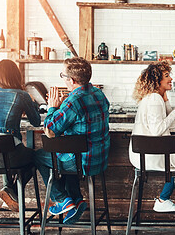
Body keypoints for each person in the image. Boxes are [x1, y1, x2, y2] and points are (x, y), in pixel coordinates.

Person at [34, 57, 110, 224]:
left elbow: (50, 130)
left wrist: (53, 106)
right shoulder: (99, 94)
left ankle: (62, 199)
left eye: (63, 75)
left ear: (71, 80)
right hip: (99, 159)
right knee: (68, 151)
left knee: (39, 156)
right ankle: (77, 199)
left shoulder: (73, 101)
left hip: (82, 162)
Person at [129, 61, 175, 212]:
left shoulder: (156, 98)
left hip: (146, 153)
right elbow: (157, 130)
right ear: (156, 80)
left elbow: (171, 127)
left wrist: (167, 101)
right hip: (151, 155)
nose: (171, 79)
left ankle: (165, 198)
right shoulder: (154, 98)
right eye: (167, 76)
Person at [0, 59, 41, 212]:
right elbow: (36, 121)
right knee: (36, 157)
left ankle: (8, 190)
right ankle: (11, 191)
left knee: (8, 150)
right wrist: (30, 103)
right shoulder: (21, 95)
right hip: (8, 156)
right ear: (16, 76)